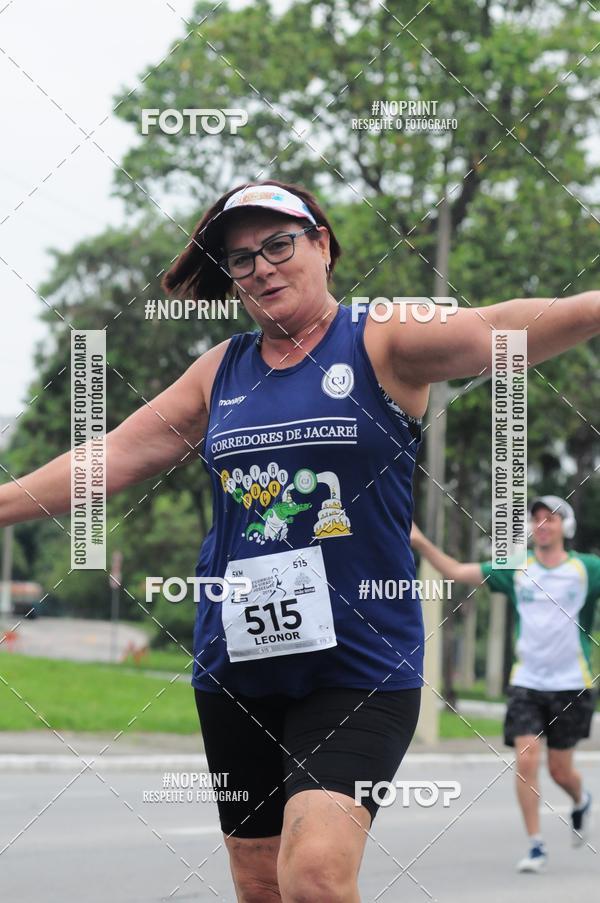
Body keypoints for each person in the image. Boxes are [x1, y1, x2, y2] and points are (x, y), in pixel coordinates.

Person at [2, 179, 600, 901]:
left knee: (314, 872)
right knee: (259, 881)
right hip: (239, 663)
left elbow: (501, 327)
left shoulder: (382, 336)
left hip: (360, 661)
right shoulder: (220, 371)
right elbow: (113, 456)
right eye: (241, 259)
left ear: (322, 243)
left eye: (279, 244)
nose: (262, 267)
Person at [411, 495, 599, 874]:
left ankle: (580, 799)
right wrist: (418, 540)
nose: (543, 525)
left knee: (562, 771)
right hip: (526, 682)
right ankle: (535, 845)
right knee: (527, 758)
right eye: (537, 520)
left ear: (567, 527)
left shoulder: (588, 569)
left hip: (571, 685)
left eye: (551, 519)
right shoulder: (515, 569)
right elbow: (453, 570)